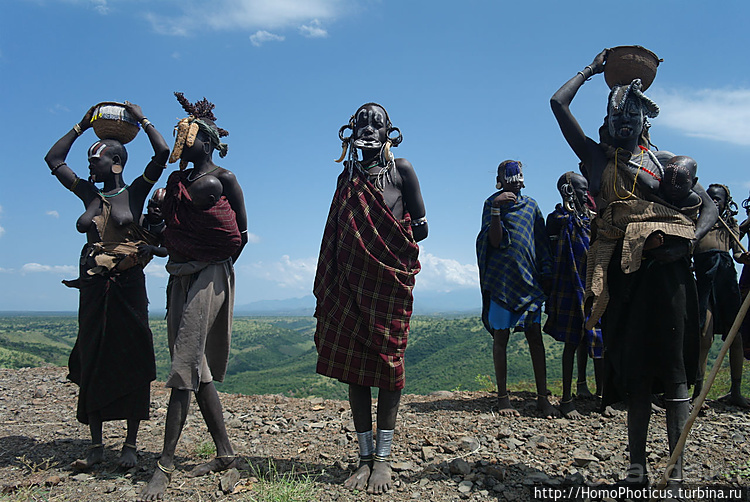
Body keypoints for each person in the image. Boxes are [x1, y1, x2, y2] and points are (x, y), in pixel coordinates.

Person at [550, 49, 717, 487]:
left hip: (670, 276)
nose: (624, 121)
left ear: (647, 122)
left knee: (675, 374)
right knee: (636, 373)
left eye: (633, 115)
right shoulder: (597, 160)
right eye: (616, 113)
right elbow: (558, 104)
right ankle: (637, 470)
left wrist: (689, 242)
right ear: (606, 122)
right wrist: (591, 69)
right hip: (624, 273)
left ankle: (676, 473)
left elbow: (712, 206)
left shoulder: (665, 165)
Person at [44, 102, 169, 470]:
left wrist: (142, 119)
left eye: (95, 159)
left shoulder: (135, 193)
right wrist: (82, 125)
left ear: (116, 162)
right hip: (95, 288)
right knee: (93, 353)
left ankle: (130, 444)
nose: (89, 166)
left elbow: (162, 153)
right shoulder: (88, 195)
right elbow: (53, 159)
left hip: (129, 285)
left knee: (132, 354)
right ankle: (96, 444)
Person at [138, 93, 248, 501]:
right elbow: (169, 240)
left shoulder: (225, 179)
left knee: (183, 365)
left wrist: (213, 265)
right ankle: (226, 453)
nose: (183, 142)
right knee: (195, 366)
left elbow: (238, 236)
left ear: (208, 141)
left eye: (190, 135)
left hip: (211, 275)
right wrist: (159, 237)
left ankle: (164, 465)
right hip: (179, 275)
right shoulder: (174, 185)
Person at [314, 103, 427, 495]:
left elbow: (421, 227)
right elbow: (336, 231)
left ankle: (384, 458)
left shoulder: (402, 171)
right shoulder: (346, 177)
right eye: (362, 121)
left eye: (376, 122)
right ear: (350, 131)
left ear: (390, 132)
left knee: (389, 364)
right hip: (351, 284)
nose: (368, 127)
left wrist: (389, 243)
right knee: (355, 367)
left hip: (388, 283)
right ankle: (363, 457)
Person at [476, 160, 559, 418]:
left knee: (534, 336)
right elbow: (494, 241)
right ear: (500, 180)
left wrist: (547, 275)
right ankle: (503, 398)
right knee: (501, 338)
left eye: (517, 176)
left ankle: (543, 399)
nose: (514, 180)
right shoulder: (491, 204)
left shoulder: (531, 206)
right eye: (508, 176)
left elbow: (541, 242)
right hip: (501, 282)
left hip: (530, 281)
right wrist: (497, 210)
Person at [544, 171, 603, 419]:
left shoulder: (591, 219)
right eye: (579, 189)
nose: (584, 194)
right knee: (571, 342)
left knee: (599, 339)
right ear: (567, 190)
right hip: (568, 285)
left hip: (592, 285)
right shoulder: (557, 218)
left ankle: (602, 396)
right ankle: (567, 399)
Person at [692, 183, 750, 407]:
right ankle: (699, 392)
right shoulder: (697, 221)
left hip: (725, 279)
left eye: (719, 199)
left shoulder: (730, 225)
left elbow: (736, 253)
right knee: (704, 333)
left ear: (726, 203)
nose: (715, 201)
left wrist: (744, 258)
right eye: (711, 198)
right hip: (705, 279)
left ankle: (735, 390)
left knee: (735, 335)